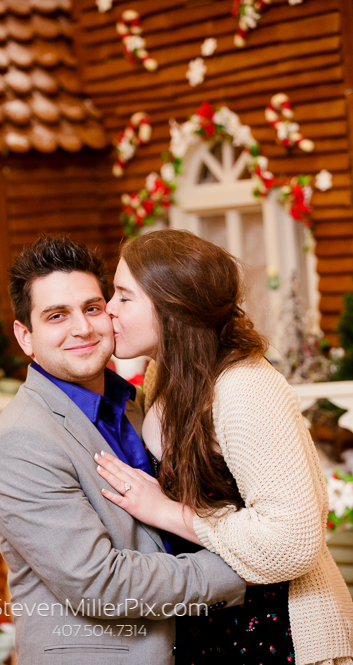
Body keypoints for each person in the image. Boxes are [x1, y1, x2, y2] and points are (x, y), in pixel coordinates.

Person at [0, 234, 246, 665]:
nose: (83, 328)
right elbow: (101, 583)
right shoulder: (22, 440)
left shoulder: (140, 408)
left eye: (92, 308)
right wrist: (247, 568)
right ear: (25, 336)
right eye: (56, 316)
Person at [98, 228, 353, 665]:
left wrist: (166, 512)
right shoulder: (164, 377)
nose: (109, 310)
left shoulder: (244, 388)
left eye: (124, 297)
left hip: (278, 631)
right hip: (212, 617)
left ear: (172, 307)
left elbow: (292, 542)